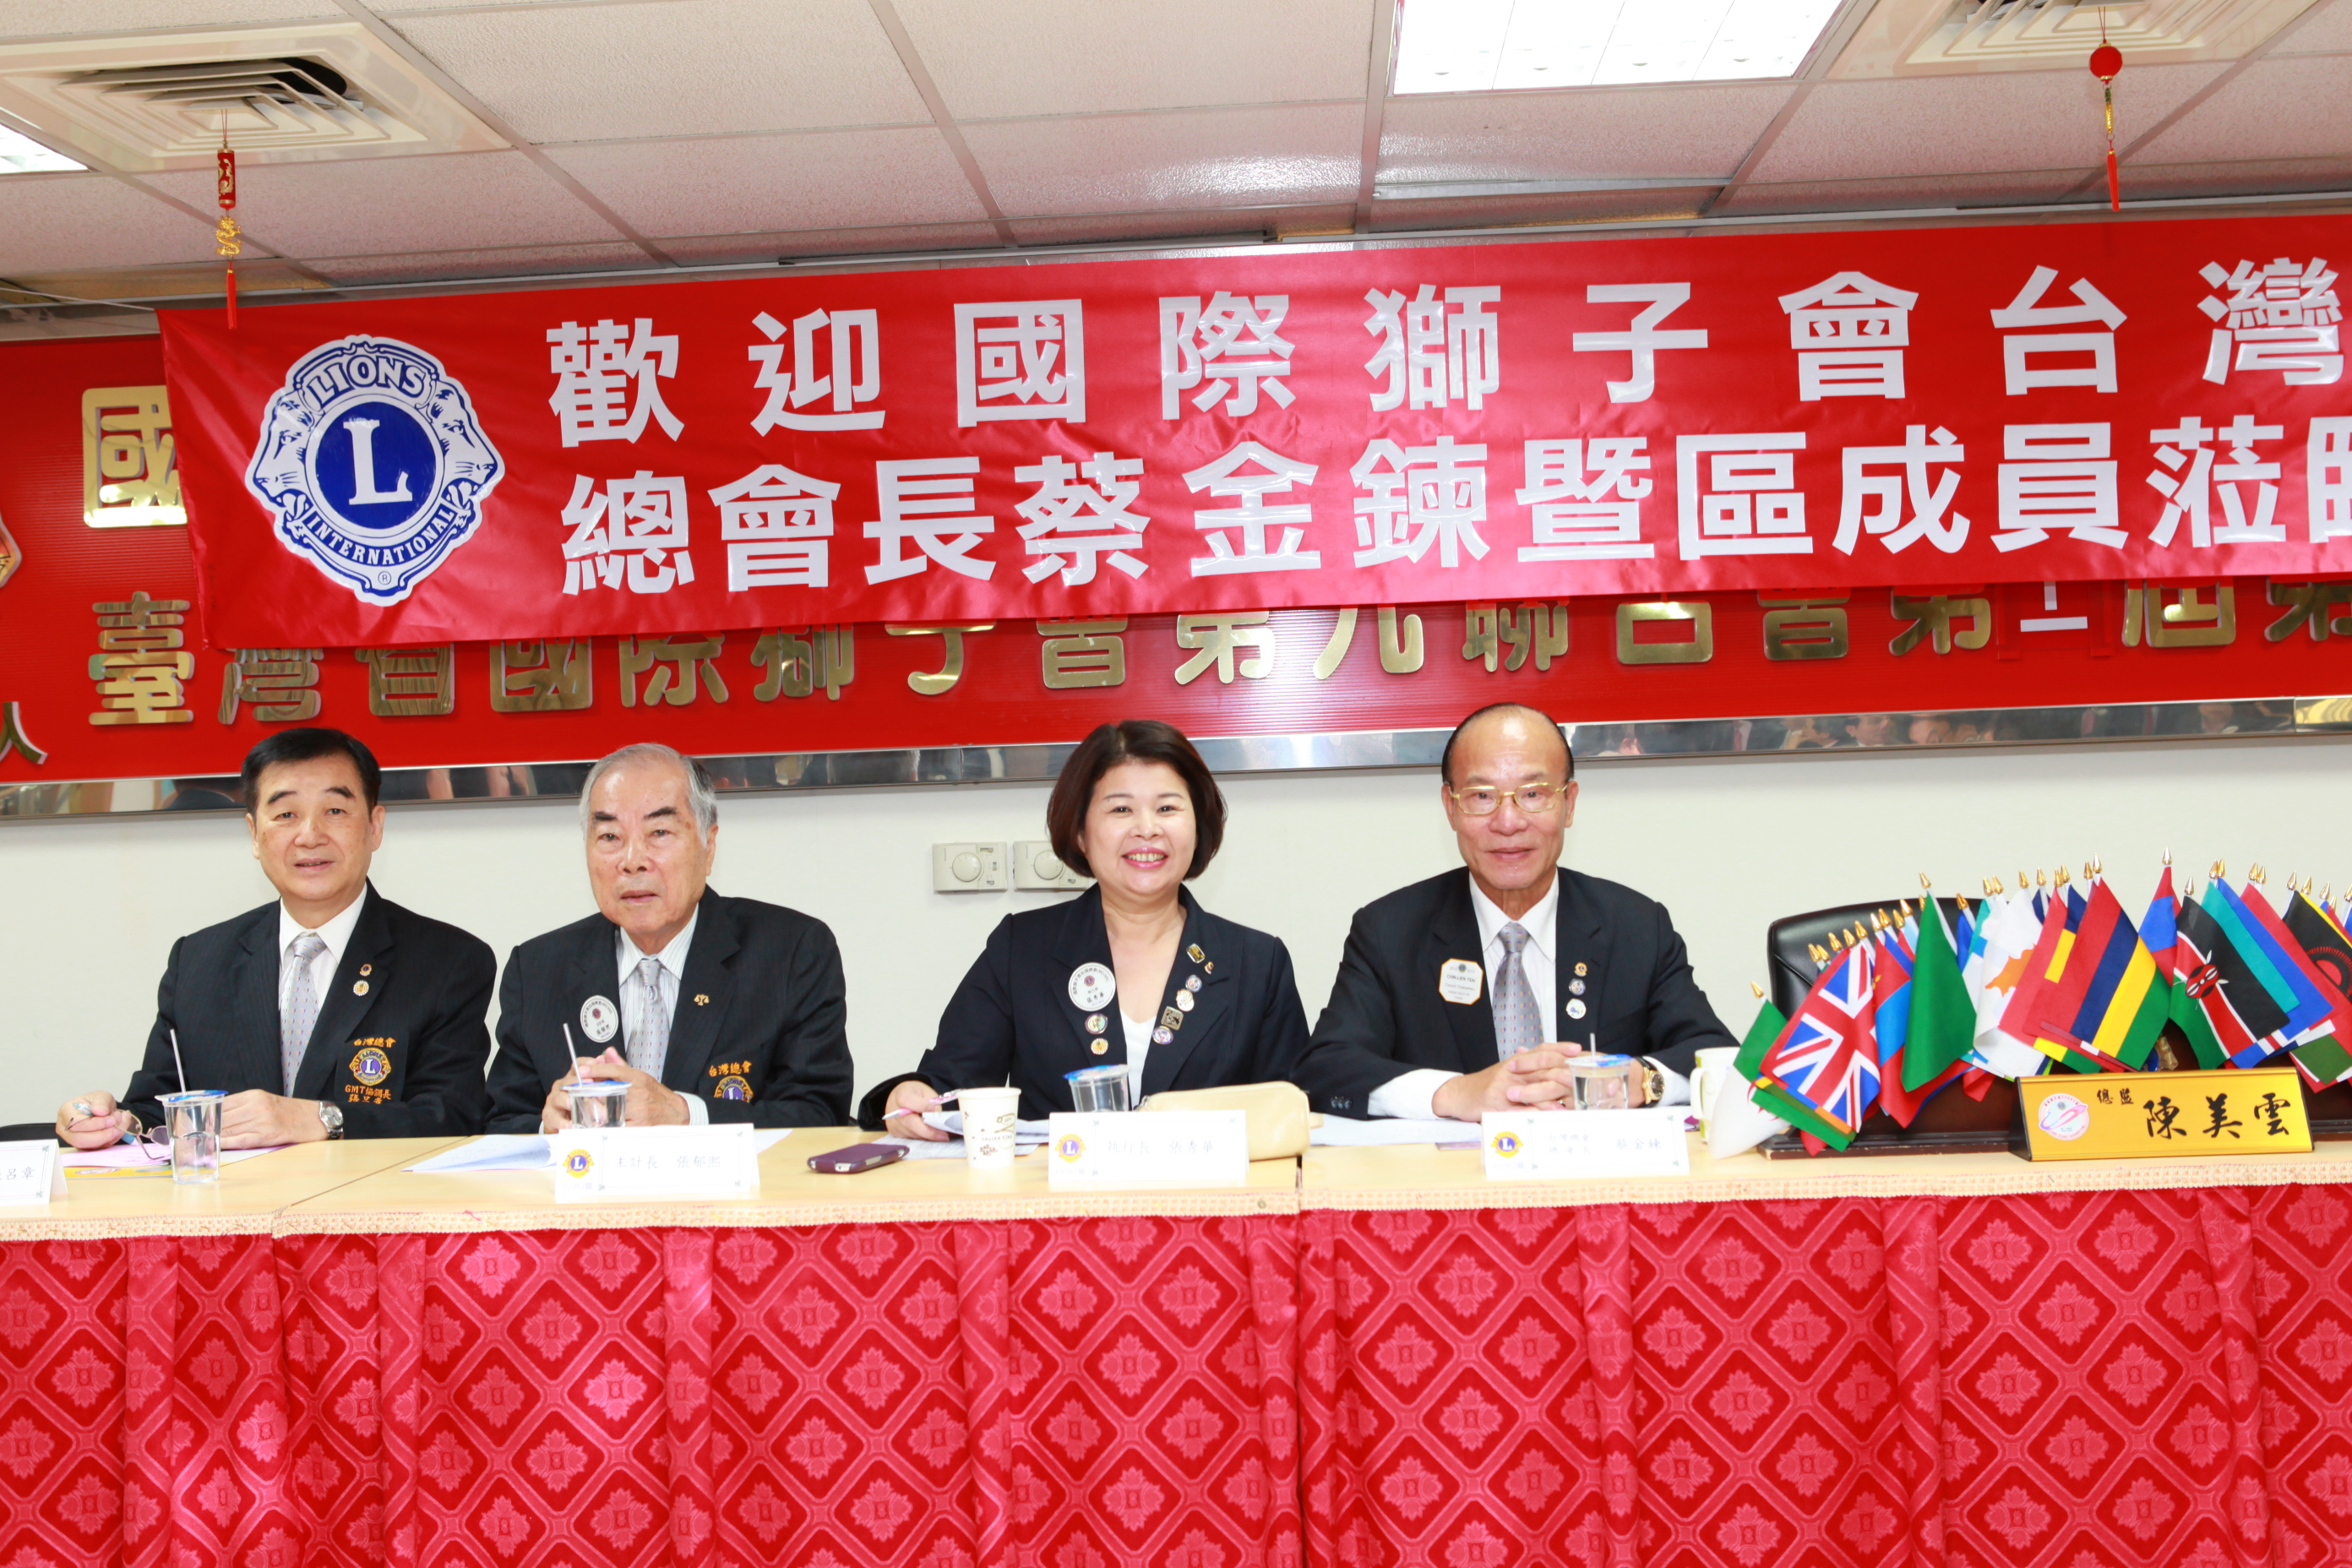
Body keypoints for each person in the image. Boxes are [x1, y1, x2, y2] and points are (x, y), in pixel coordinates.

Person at [863, 720, 1309, 1135]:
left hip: (1210, 1194)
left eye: (1167, 807)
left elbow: (1293, 1110)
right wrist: (911, 1097)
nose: (1147, 829)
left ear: (1198, 826)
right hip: (1054, 1193)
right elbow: (950, 1086)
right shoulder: (1023, 949)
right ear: (1080, 833)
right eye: (1121, 809)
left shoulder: (1256, 962)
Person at [1294, 702, 1733, 1121]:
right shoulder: (1389, 932)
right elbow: (1326, 1069)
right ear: (1451, 807)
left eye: (1533, 794)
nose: (1508, 822)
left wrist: (1640, 1081)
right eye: (1482, 795)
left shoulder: (1636, 926)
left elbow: (1717, 1055)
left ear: (1569, 803)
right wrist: (1456, 1093)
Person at [57, 729, 493, 1149]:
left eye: (335, 810)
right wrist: (114, 1124)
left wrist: (321, 1119)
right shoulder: (198, 960)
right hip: (233, 1201)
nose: (310, 835)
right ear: (254, 834)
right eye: (286, 814)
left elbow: (454, 1115)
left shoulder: (448, 960)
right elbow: (160, 1109)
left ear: (375, 827)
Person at [484, 743, 851, 1131]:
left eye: (659, 832)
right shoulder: (538, 969)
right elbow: (500, 1124)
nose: (632, 861)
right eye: (609, 836)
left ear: (708, 846)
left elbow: (819, 1115)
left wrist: (685, 1115)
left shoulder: (791, 952)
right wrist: (549, 1128)